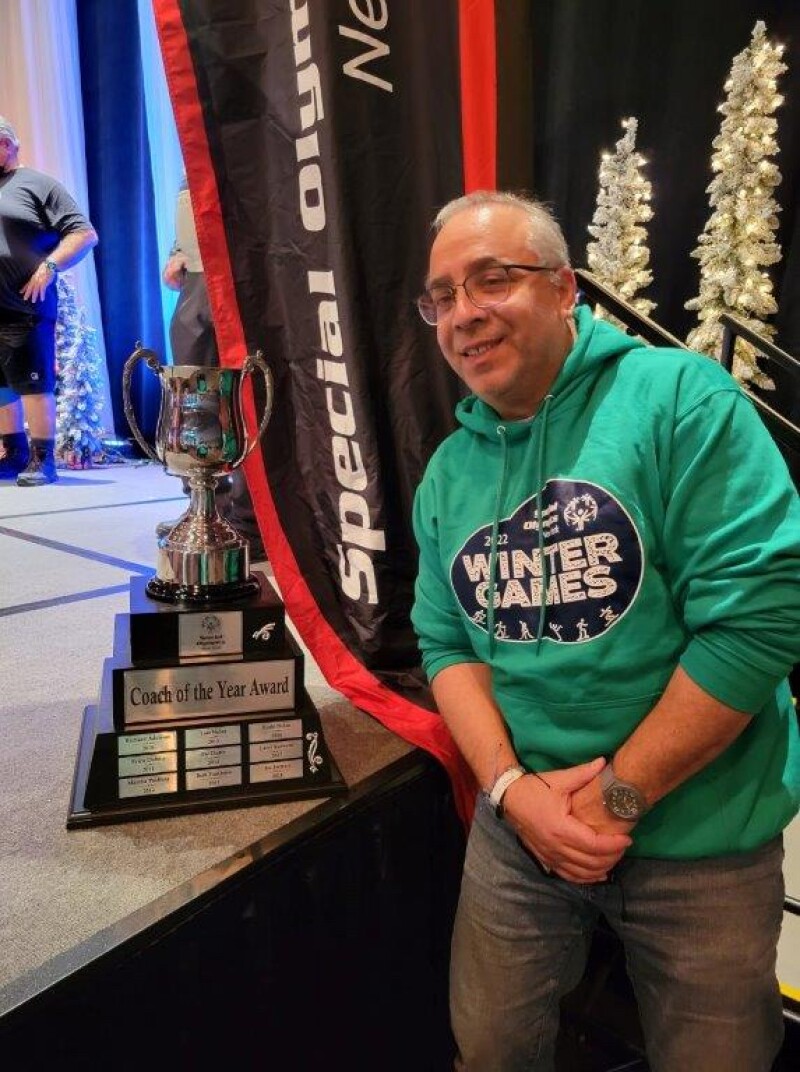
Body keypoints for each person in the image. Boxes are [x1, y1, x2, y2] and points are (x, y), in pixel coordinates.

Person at [411, 190, 800, 1072]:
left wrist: (617, 799)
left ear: (563, 289)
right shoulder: (449, 470)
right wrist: (514, 793)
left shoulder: (678, 400)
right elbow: (447, 648)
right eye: (443, 296)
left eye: (492, 279)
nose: (464, 314)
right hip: (524, 828)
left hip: (704, 828)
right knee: (491, 1050)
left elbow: (758, 624)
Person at [159, 176, 264, 559]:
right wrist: (175, 253)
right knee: (195, 395)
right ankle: (206, 508)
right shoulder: (194, 140)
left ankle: (252, 521)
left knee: (244, 396)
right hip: (198, 280)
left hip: (240, 270)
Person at [0, 116, 98, 486]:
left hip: (25, 305)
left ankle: (44, 460)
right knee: (1, 385)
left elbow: (84, 234)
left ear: (6, 145)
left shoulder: (38, 185)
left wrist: (50, 266)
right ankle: (14, 453)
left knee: (33, 383)